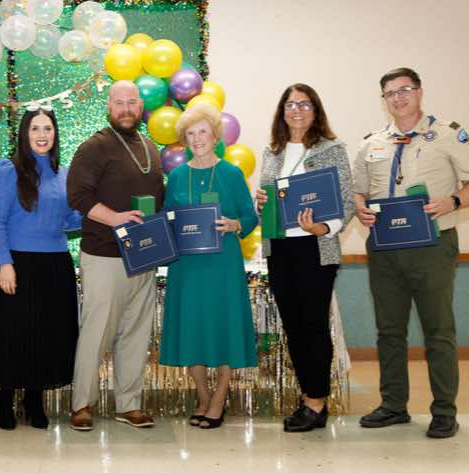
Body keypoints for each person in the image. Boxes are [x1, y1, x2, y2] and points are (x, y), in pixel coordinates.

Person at [353, 67, 469, 439]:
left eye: (405, 90)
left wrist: (453, 201)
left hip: (432, 246)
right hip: (385, 249)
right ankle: (393, 405)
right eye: (390, 93)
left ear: (419, 92)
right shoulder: (371, 143)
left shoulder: (447, 135)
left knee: (438, 331)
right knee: (389, 331)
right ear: (384, 100)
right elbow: (358, 190)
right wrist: (360, 207)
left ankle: (444, 411)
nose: (398, 98)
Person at [255, 84, 355, 432]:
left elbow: (346, 201)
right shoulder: (272, 152)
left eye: (304, 104)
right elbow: (270, 199)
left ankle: (316, 401)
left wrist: (323, 228)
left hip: (315, 248)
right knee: (293, 327)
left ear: (316, 111)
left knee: (313, 326)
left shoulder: (331, 150)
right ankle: (308, 394)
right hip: (280, 248)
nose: (296, 110)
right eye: (290, 104)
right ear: (282, 111)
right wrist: (261, 203)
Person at [66, 80, 165, 431]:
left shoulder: (150, 148)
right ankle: (82, 404)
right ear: (109, 106)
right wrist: (116, 219)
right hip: (105, 256)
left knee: (136, 334)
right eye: (119, 102)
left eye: (131, 102)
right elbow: (77, 196)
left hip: (144, 256)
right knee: (97, 332)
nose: (126, 109)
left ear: (141, 106)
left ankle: (129, 404)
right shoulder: (94, 147)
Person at [159, 103, 258, 429]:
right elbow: (167, 217)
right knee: (192, 330)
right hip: (187, 268)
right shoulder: (177, 176)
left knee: (224, 327)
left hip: (223, 265)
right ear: (184, 140)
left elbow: (250, 216)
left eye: (203, 132)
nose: (197, 138)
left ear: (215, 136)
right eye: (191, 133)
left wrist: (234, 225)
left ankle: (219, 397)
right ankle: (203, 396)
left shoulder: (231, 173)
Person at [0, 106, 82, 430]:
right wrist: (4, 263)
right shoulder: (7, 170)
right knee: (13, 334)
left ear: (55, 134)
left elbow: (69, 220)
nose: (42, 135)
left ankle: (34, 400)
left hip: (54, 263)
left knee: (46, 334)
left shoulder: (64, 173)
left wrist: (97, 209)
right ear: (25, 134)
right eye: (35, 129)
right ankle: (5, 398)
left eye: (48, 129)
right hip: (16, 263)